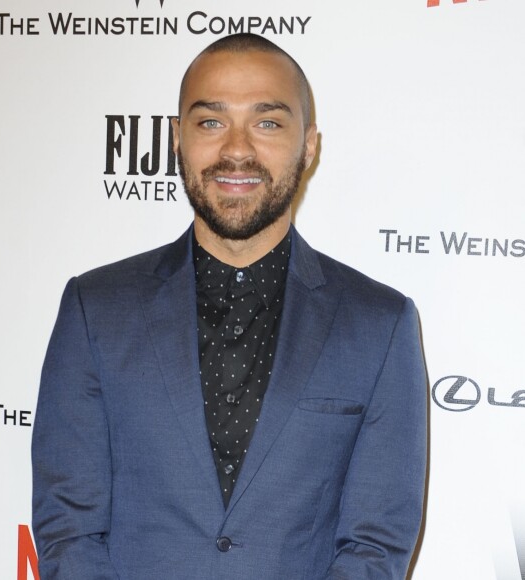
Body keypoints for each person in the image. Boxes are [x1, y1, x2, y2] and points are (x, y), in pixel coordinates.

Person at [32, 33, 427, 579]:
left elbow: (375, 545)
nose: (236, 149)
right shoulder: (95, 308)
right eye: (211, 122)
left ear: (308, 146)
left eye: (267, 122)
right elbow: (69, 528)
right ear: (176, 138)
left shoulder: (379, 325)